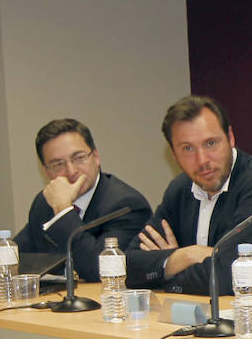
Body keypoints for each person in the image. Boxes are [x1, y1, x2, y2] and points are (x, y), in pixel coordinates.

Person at [125, 95, 252, 302]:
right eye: (187, 148)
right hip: (206, 315)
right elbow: (130, 267)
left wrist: (164, 272)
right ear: (173, 153)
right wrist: (185, 255)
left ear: (230, 138)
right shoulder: (180, 189)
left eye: (210, 143)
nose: (202, 160)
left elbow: (225, 277)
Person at [13, 118, 151, 281]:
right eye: (58, 164)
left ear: (96, 157)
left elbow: (100, 271)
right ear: (47, 172)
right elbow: (16, 256)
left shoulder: (127, 206)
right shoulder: (44, 203)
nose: (71, 171)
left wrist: (63, 211)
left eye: (78, 158)